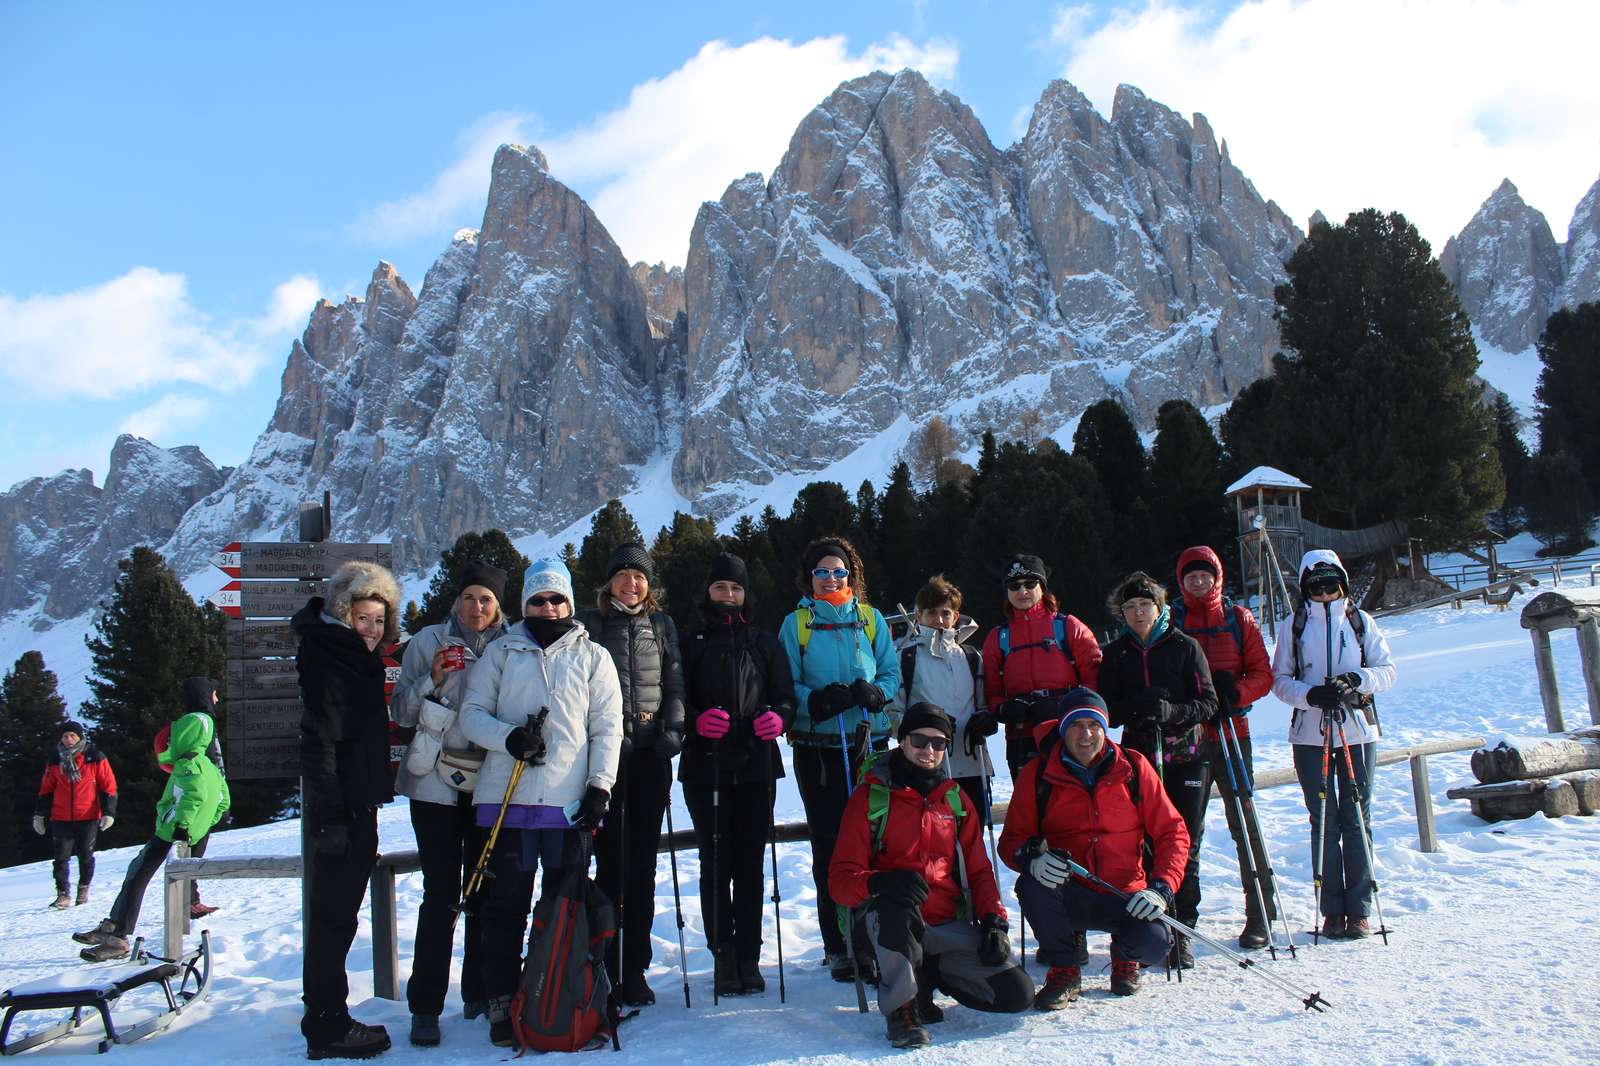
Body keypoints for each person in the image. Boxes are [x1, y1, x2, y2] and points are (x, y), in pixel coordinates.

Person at [459, 558, 622, 1047]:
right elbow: (471, 714)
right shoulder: (502, 653)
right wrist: (509, 739)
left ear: (569, 603)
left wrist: (599, 786)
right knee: (505, 907)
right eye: (538, 599)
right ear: (524, 604)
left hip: (566, 805)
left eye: (556, 599)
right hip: (505, 803)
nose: (548, 607)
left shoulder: (593, 656)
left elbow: (607, 728)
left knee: (562, 907)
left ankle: (559, 990)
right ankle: (502, 1002)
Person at [830, 704, 1033, 1048]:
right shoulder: (871, 797)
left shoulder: (954, 800)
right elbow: (839, 880)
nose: (928, 751)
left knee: (1016, 993)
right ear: (902, 740)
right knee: (896, 909)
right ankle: (903, 1009)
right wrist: (879, 882)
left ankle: (927, 975)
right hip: (885, 923)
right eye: (919, 740)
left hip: (944, 925)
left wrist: (994, 921)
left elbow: (979, 870)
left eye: (938, 744)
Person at [999, 689, 1190, 1006]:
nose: (1085, 734)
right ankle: (1064, 970)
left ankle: (1125, 958)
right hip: (1070, 892)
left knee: (1155, 944)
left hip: (1126, 893)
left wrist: (1162, 888)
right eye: (1075, 725)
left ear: (1105, 729)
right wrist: (1032, 859)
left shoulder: (1133, 767)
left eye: (1094, 725)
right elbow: (1012, 841)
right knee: (1032, 886)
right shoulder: (1038, 774)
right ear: (1062, 729)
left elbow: (1173, 832)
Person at [390, 561, 509, 1046]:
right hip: (435, 787)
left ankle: (479, 990)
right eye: (469, 597)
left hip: (491, 783)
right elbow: (400, 712)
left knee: (485, 892)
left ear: (498, 605)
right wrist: (431, 680)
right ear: (456, 600)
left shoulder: (513, 645)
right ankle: (425, 1007)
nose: (476, 607)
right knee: (440, 896)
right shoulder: (426, 643)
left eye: (486, 599)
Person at [778, 536, 900, 984]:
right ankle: (839, 943)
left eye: (840, 571)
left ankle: (879, 934)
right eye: (822, 572)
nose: (831, 579)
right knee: (829, 844)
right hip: (819, 749)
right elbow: (786, 682)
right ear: (809, 578)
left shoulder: (869, 620)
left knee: (878, 839)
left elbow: (890, 671)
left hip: (869, 744)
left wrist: (878, 693)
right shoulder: (797, 624)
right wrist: (814, 702)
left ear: (852, 576)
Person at [294, 560, 403, 1060]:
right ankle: (326, 1023)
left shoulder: (349, 656)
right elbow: (318, 742)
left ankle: (327, 1017)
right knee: (334, 918)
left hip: (355, 805)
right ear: (344, 612)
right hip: (341, 810)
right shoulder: (332, 657)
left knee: (338, 918)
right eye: (364, 618)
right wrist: (334, 816)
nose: (372, 629)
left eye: (380, 621)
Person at [678, 552, 796, 996]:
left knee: (750, 864)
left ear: (746, 594)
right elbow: (676, 698)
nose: (728, 596)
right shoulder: (691, 641)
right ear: (707, 591)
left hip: (756, 765)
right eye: (721, 587)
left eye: (736, 588)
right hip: (705, 767)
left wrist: (779, 718)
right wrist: (694, 720)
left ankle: (749, 954)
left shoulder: (763, 642)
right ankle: (723, 955)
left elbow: (786, 695)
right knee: (714, 862)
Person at [577, 543, 685, 1006]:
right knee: (609, 865)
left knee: (641, 867)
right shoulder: (590, 624)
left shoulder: (660, 625)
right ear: (609, 582)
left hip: (649, 759)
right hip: (606, 761)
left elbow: (674, 682)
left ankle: (635, 968)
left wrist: (674, 730)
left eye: (638, 576)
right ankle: (603, 963)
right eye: (622, 575)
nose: (631, 583)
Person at [1271, 549, 1396, 941]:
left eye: (1331, 585)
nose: (1325, 593)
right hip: (1310, 734)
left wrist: (1357, 680)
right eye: (1317, 586)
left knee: (1357, 816)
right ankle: (1332, 909)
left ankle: (1358, 907)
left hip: (1357, 730)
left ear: (1341, 584)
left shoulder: (1360, 622)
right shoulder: (1294, 626)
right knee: (1322, 818)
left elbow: (1387, 670)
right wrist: (1309, 696)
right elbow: (1279, 679)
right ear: (1306, 588)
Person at [1097, 571, 1217, 970]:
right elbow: (1107, 711)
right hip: (1139, 760)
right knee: (1143, 841)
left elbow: (1208, 702)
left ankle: (1183, 929)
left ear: (1160, 607)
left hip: (1187, 755)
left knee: (1186, 841)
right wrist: (1139, 706)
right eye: (1129, 607)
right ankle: (1154, 926)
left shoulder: (1184, 647)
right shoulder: (1116, 654)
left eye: (1144, 605)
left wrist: (1174, 713)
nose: (1137, 613)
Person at [1171, 546, 1278, 948]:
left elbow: (1262, 673)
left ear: (1217, 577)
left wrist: (1235, 694)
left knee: (1244, 824)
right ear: (1181, 582)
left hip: (1233, 732)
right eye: (1190, 577)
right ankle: (1183, 917)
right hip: (1189, 738)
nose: (1198, 583)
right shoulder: (1174, 621)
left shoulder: (1238, 619)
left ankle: (1260, 913)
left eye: (1204, 576)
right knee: (1186, 829)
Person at [73, 709, 229, 961]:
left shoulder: (187, 764)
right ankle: (114, 926)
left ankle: (118, 936)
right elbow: (223, 801)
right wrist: (202, 825)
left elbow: (194, 796)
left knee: (137, 875)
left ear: (185, 735)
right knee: (138, 871)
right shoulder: (209, 765)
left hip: (171, 832)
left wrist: (182, 825)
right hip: (185, 832)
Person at [978, 554, 1100, 783]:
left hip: (1067, 731)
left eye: (1030, 584)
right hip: (1021, 734)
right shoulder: (998, 637)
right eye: (1014, 586)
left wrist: (1065, 707)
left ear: (1042, 588)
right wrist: (1004, 709)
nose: (1022, 591)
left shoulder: (1068, 627)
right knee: (1030, 804)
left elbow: (1094, 680)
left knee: (1072, 799)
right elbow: (991, 692)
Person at [894, 575, 991, 820]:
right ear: (919, 616)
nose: (939, 620)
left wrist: (985, 721)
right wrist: (924, 725)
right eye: (931, 612)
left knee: (971, 837)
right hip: (924, 764)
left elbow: (984, 704)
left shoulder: (971, 658)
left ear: (955, 617)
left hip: (971, 761)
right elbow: (893, 713)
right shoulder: (906, 658)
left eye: (946, 613)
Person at [153, 677, 226, 919]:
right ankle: (186, 906)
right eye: (214, 693)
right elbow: (208, 762)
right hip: (200, 795)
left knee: (185, 851)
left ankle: (190, 902)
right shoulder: (200, 724)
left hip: (202, 793)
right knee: (188, 851)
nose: (217, 699)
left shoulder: (196, 723)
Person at [34, 720, 117, 910]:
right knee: (61, 858)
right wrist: (39, 815)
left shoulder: (94, 756)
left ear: (80, 737)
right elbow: (46, 789)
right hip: (61, 817)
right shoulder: (55, 759)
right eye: (65, 736)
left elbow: (108, 785)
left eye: (72, 735)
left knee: (85, 855)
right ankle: (62, 894)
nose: (68, 739)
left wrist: (109, 812)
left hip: (88, 815)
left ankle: (83, 888)